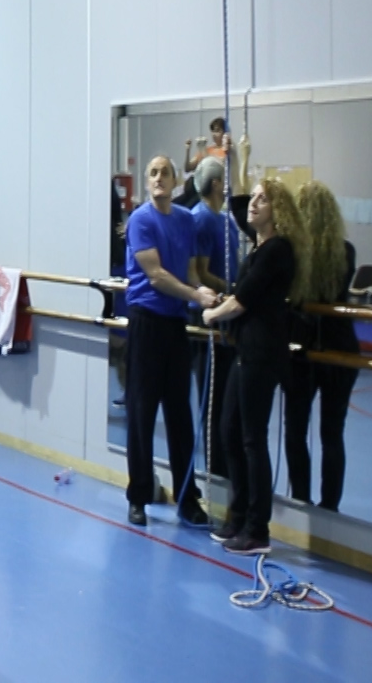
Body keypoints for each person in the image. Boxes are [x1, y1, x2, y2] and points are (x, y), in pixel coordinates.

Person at [204, 179, 308, 555]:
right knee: (230, 430)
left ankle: (257, 528)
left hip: (262, 356)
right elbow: (237, 205)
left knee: (251, 438)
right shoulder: (261, 247)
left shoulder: (278, 250)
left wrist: (212, 312)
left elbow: (242, 302)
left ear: (277, 211)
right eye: (257, 198)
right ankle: (238, 514)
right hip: (246, 352)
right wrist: (242, 161)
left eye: (264, 200)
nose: (254, 204)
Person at [122, 156, 218, 529]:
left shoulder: (186, 220)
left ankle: (187, 498)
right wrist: (195, 296)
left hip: (175, 327)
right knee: (141, 414)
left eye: (165, 172)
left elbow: (192, 270)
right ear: (147, 182)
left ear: (177, 180)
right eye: (153, 173)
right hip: (146, 324)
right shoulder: (141, 220)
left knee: (180, 415)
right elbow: (158, 275)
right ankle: (139, 496)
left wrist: (208, 293)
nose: (159, 178)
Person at [284, 181, 359, 512]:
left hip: (304, 348)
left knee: (296, 429)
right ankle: (330, 507)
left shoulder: (295, 253)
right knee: (333, 432)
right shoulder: (346, 251)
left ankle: (300, 498)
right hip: (341, 348)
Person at [188, 153, 240, 477]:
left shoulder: (226, 219)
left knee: (226, 399)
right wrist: (231, 289)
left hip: (228, 315)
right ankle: (214, 472)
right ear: (217, 183)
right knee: (213, 399)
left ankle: (224, 468)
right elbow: (200, 273)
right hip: (208, 317)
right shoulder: (202, 219)